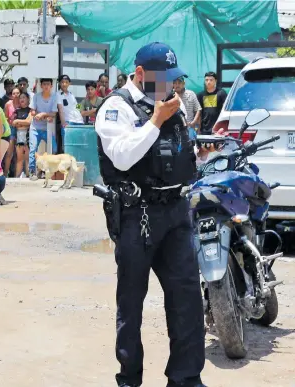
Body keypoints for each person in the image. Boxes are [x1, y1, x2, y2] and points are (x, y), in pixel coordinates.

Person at [94, 42, 208, 387]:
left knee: (186, 297)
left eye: (174, 80)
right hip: (135, 215)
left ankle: (186, 377)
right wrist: (157, 120)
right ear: (140, 74)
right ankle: (129, 378)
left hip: (175, 212)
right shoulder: (117, 107)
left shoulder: (171, 106)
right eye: (164, 80)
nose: (171, 87)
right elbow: (123, 156)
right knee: (131, 303)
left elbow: (179, 155)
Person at [29, 78, 58, 181]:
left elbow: (54, 113)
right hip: (35, 128)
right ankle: (32, 172)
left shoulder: (54, 97)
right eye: (44, 84)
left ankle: (48, 171)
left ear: (51, 86)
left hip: (47, 128)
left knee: (54, 148)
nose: (46, 86)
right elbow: (32, 111)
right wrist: (37, 115)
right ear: (41, 86)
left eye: (48, 84)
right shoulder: (36, 97)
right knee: (33, 149)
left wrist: (44, 114)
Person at [57, 74, 84, 142]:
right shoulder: (57, 94)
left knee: (79, 144)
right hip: (68, 122)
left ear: (69, 83)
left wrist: (82, 109)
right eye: (62, 82)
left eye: (66, 82)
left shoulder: (71, 94)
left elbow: (77, 106)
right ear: (59, 83)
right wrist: (63, 123)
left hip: (79, 121)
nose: (64, 84)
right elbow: (60, 109)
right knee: (68, 144)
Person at [12, 92, 32, 177]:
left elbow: (29, 122)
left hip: (28, 137)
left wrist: (19, 122)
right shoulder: (16, 111)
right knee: (19, 159)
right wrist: (23, 123)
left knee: (27, 158)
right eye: (20, 98)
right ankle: (17, 177)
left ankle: (28, 176)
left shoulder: (31, 110)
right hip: (19, 137)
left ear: (28, 99)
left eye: (24, 97)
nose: (22, 99)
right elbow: (14, 123)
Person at [3, 86, 21, 176]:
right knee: (9, 152)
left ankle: (18, 174)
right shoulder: (8, 104)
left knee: (20, 153)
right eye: (14, 93)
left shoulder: (23, 103)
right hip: (11, 128)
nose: (16, 95)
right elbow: (5, 118)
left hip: (21, 128)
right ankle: (6, 172)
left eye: (17, 93)